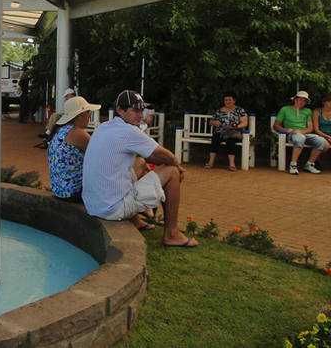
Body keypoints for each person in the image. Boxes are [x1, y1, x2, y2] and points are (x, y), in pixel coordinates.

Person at [82, 89, 198, 247]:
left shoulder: (104, 127)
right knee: (172, 172)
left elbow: (149, 156)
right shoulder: (129, 132)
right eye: (136, 110)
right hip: (112, 209)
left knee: (140, 162)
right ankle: (172, 234)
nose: (140, 115)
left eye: (142, 109)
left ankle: (135, 219)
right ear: (120, 110)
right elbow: (165, 156)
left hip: (93, 205)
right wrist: (178, 166)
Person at [47, 96, 100, 202]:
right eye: (88, 112)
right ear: (80, 115)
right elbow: (101, 157)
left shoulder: (60, 131)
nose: (89, 116)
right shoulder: (77, 134)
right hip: (74, 192)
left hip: (59, 190)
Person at [274, 90, 330, 174]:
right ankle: (293, 165)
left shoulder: (307, 111)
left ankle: (309, 164)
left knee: (321, 141)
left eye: (304, 101)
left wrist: (302, 131)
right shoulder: (285, 109)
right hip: (292, 134)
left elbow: (311, 128)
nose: (302, 102)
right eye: (300, 99)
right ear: (295, 99)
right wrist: (286, 130)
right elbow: (276, 125)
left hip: (305, 134)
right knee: (299, 137)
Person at [204, 94, 248, 171]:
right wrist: (215, 122)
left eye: (229, 100)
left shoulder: (240, 110)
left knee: (230, 140)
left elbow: (245, 123)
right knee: (215, 138)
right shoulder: (219, 110)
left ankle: (232, 164)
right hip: (220, 131)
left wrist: (236, 126)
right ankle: (210, 162)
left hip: (233, 131)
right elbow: (211, 121)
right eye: (226, 100)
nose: (227, 102)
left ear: (234, 101)